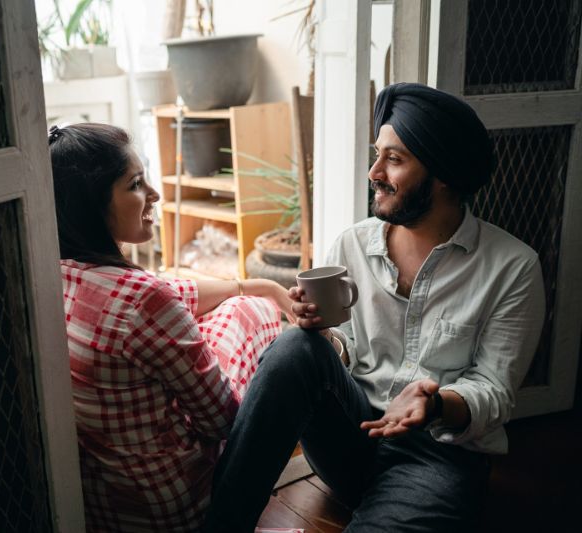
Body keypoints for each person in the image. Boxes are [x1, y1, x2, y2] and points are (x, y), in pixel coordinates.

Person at [203, 83, 546, 532]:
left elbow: (494, 389)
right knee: (293, 349)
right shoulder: (352, 244)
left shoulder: (512, 267)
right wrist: (322, 336)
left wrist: (437, 403)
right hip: (352, 436)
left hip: (437, 457)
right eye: (377, 153)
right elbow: (341, 347)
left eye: (395, 159)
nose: (374, 171)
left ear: (443, 173)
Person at [48, 122, 294, 532]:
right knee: (248, 313)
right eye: (136, 184)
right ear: (93, 202)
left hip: (104, 506)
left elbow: (171, 289)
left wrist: (257, 282)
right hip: (174, 506)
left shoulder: (56, 274)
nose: (154, 194)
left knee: (236, 299)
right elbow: (222, 421)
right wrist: (256, 300)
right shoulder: (141, 298)